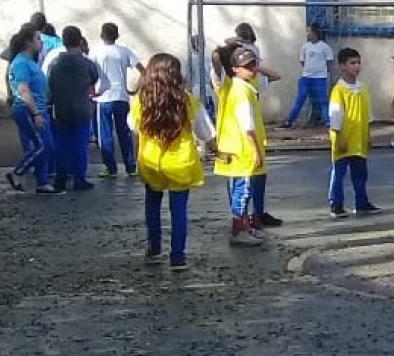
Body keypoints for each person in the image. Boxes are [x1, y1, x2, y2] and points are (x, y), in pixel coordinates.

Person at [129, 53, 217, 270]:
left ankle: (154, 248)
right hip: (180, 161)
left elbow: (133, 128)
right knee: (178, 210)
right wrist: (218, 151)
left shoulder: (141, 101)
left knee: (152, 206)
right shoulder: (187, 101)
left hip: (151, 161)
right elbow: (206, 132)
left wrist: (136, 156)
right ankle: (177, 256)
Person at [212, 43, 269, 246]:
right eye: (247, 66)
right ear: (235, 68)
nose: (252, 69)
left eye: (254, 65)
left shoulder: (242, 87)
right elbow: (248, 125)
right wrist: (256, 151)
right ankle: (238, 230)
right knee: (242, 192)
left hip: (232, 149)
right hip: (242, 150)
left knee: (240, 191)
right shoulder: (236, 88)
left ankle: (244, 225)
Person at [5, 24, 61, 194]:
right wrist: (35, 113)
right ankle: (16, 173)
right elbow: (23, 90)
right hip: (28, 109)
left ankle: (43, 182)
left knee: (45, 145)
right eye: (38, 38)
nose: (41, 42)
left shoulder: (30, 61)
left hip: (39, 108)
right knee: (44, 146)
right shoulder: (21, 63)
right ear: (28, 42)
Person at [328, 47, 382, 218]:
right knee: (339, 173)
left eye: (358, 63)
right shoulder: (339, 90)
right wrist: (340, 137)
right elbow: (335, 115)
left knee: (360, 174)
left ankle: (362, 203)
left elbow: (367, 115)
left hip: (359, 138)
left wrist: (369, 135)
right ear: (342, 66)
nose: (357, 67)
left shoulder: (363, 88)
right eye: (352, 63)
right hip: (344, 139)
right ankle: (336, 204)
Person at [47, 26, 100, 192]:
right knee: (80, 145)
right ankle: (79, 178)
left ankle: (60, 178)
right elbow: (94, 78)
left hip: (61, 108)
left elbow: (50, 85)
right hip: (82, 107)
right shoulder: (87, 64)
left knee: (61, 145)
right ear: (79, 41)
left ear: (63, 42)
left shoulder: (54, 64)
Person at [90, 22, 145, 178]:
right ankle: (130, 166)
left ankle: (110, 167)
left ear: (102, 35)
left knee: (105, 135)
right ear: (117, 35)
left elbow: (89, 71)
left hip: (103, 97)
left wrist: (91, 90)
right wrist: (135, 89)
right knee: (124, 132)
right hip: (121, 96)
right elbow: (142, 70)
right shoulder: (125, 51)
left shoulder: (95, 52)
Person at [282, 24, 333, 128]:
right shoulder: (305, 46)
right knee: (300, 98)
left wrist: (321, 71)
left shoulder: (324, 47)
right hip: (306, 77)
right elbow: (302, 60)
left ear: (315, 33)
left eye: (309, 31)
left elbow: (329, 61)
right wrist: (309, 70)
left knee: (323, 99)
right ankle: (290, 120)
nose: (307, 34)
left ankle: (327, 121)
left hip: (319, 78)